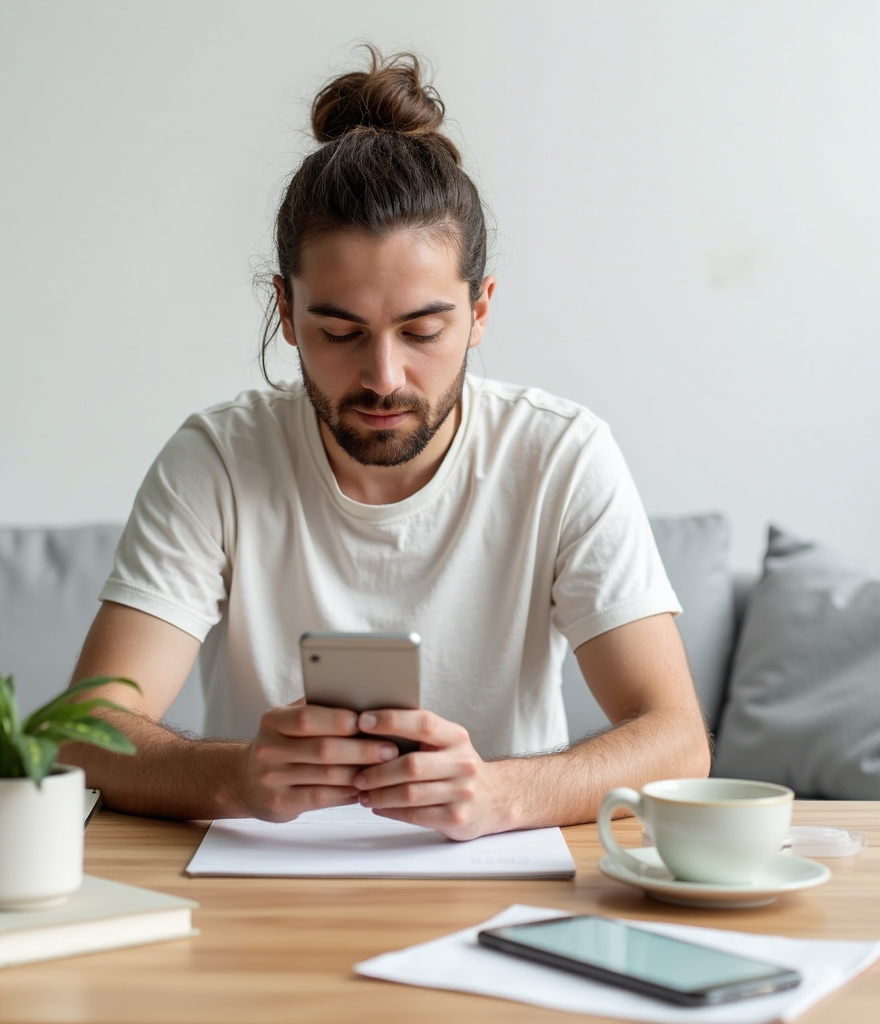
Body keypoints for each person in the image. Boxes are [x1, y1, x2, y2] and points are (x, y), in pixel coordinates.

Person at [64, 47, 710, 841]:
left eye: (423, 329)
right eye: (338, 331)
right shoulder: (218, 460)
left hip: (498, 886)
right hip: (260, 894)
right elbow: (82, 730)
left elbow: (677, 739)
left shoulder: (561, 456)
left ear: (480, 312)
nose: (383, 376)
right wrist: (234, 776)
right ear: (285, 310)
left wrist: (500, 794)